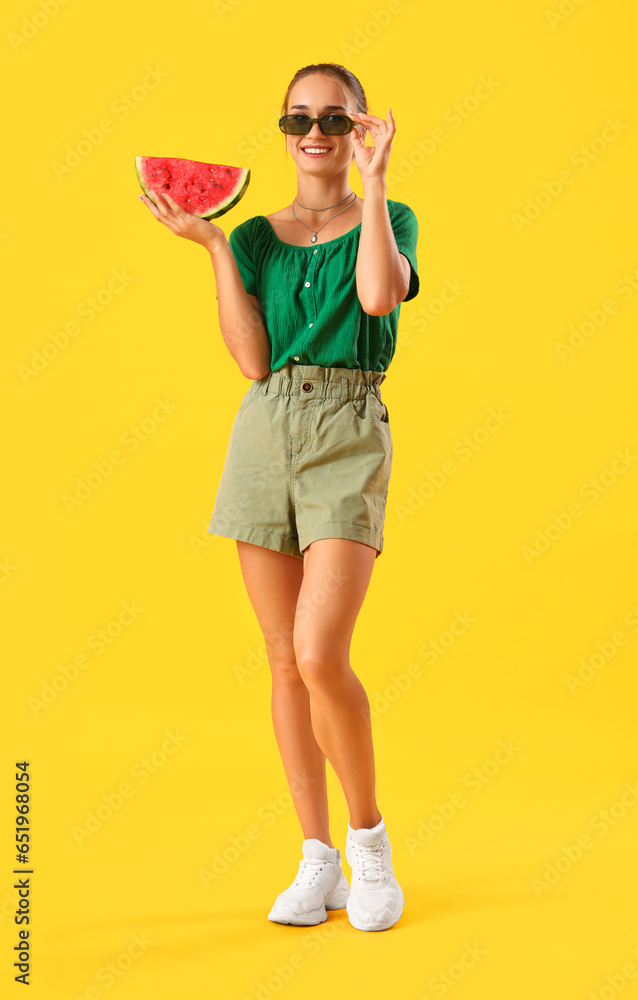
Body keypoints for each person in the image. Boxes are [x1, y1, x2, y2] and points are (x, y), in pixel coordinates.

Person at [138, 62, 419, 932]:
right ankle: (316, 859)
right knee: (281, 657)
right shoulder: (257, 234)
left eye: (334, 117)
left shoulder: (391, 216)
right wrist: (220, 248)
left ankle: (368, 845)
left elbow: (379, 294)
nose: (314, 132)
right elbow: (254, 362)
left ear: (357, 128)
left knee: (320, 653)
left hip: (346, 432)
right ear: (284, 126)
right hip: (265, 432)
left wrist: (374, 188)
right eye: (298, 116)